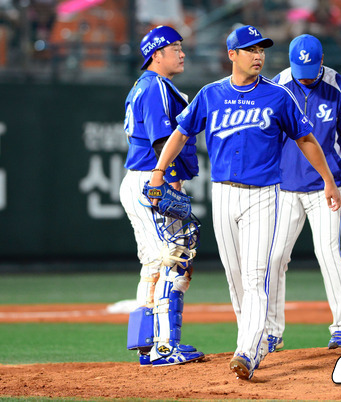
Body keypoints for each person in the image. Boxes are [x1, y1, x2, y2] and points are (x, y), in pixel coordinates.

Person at [147, 24, 341, 380]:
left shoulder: (278, 96)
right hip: (223, 193)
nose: (258, 55)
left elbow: (306, 139)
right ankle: (253, 340)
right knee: (235, 277)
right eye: (251, 49)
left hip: (263, 195)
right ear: (232, 54)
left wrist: (328, 180)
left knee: (255, 277)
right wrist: (159, 171)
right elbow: (181, 133)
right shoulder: (211, 94)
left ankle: (248, 350)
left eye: (261, 49)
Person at [267, 34, 341, 352]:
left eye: (310, 70)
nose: (305, 77)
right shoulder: (279, 84)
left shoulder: (339, 87)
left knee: (328, 253)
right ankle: (271, 332)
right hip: (285, 187)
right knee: (275, 257)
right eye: (300, 71)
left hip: (328, 186)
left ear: (322, 61)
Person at [119, 25, 204, 366]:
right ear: (157, 54)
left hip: (140, 180)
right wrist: (170, 180)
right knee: (174, 258)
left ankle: (146, 344)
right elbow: (161, 142)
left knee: (154, 263)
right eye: (175, 48)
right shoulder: (154, 86)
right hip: (151, 180)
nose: (182, 53)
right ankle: (165, 347)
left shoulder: (145, 85)